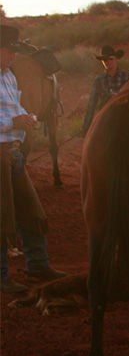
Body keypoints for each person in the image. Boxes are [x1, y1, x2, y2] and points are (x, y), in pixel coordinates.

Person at [0, 25, 66, 293]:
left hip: (13, 153)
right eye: (9, 52)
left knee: (32, 212)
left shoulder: (9, 76)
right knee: (2, 217)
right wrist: (12, 122)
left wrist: (28, 118)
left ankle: (38, 265)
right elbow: (8, 117)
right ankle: (2, 278)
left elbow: (17, 108)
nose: (14, 57)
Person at [82, 45, 129, 135]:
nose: (108, 62)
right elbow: (92, 104)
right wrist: (86, 126)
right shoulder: (99, 80)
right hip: (105, 117)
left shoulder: (126, 77)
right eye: (105, 60)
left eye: (111, 59)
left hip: (124, 116)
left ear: (116, 59)